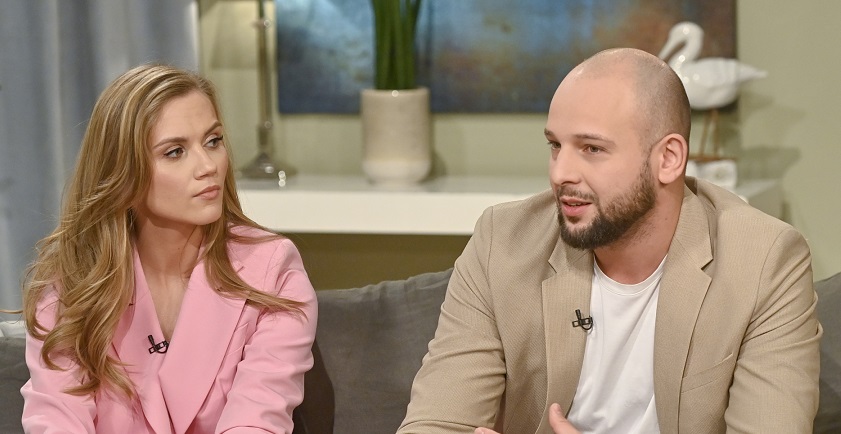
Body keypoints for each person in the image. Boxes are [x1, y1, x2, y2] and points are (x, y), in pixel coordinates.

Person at [398, 48, 821, 433]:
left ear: (668, 158)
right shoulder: (502, 242)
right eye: (555, 145)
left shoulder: (764, 261)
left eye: (592, 149)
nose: (561, 173)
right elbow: (434, 423)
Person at [19, 64, 317, 433]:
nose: (208, 166)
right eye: (175, 152)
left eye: (213, 141)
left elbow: (258, 420)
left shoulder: (272, 271)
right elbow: (56, 421)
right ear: (122, 172)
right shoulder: (72, 286)